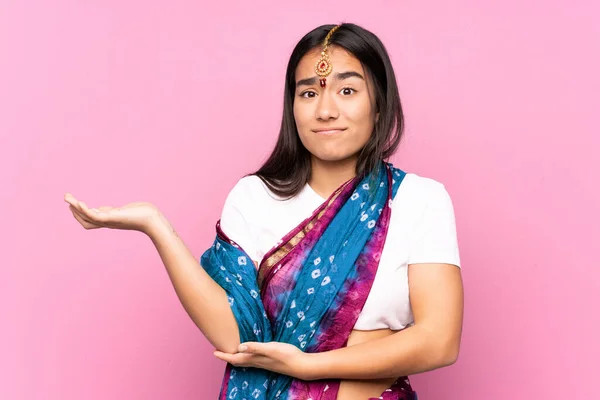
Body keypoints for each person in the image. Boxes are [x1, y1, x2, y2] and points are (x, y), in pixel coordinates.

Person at [65, 23, 463, 400]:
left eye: (347, 91)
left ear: (379, 105)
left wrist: (309, 367)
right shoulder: (254, 197)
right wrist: (155, 225)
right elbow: (234, 339)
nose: (325, 110)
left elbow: (439, 340)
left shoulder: (419, 200)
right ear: (292, 106)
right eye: (309, 93)